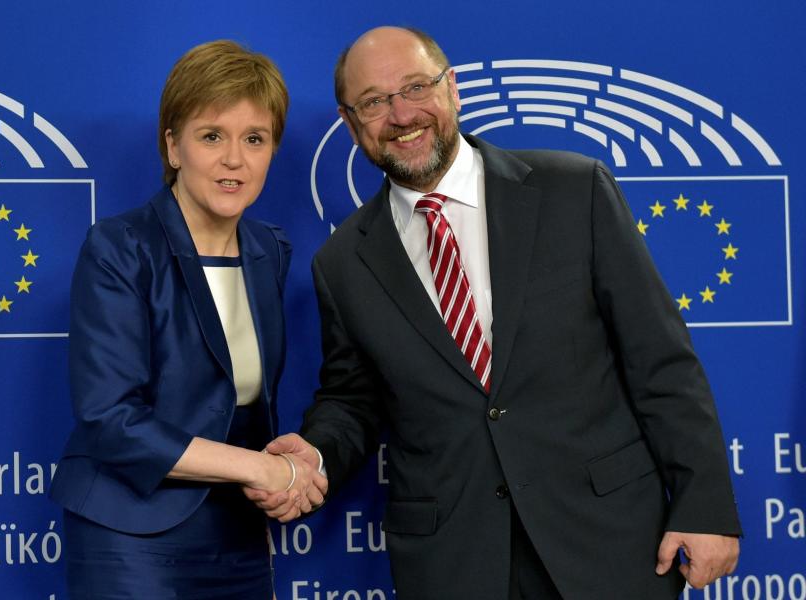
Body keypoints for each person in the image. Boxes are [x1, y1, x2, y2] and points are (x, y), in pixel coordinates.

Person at [250, 26, 741, 599]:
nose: (401, 114)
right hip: (456, 562)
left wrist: (704, 506)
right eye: (375, 102)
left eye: (415, 87)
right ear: (351, 121)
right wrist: (313, 453)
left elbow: (660, 359)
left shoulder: (572, 189)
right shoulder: (342, 263)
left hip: (608, 544)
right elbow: (353, 400)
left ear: (451, 88)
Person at [49, 40, 326, 600]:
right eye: (211, 136)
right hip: (129, 530)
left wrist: (286, 464)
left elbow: (240, 402)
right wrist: (257, 469)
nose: (234, 160)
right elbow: (110, 419)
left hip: (239, 533)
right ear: (173, 146)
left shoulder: (269, 249)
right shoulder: (119, 247)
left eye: (255, 139)